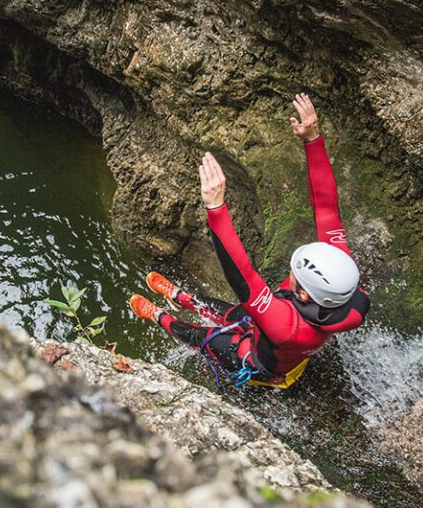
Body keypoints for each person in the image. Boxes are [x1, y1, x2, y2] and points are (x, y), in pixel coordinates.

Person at [129, 93, 370, 388]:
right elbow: (327, 208)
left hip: (258, 362)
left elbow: (243, 277)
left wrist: (216, 207)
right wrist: (313, 139)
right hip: (277, 336)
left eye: (295, 273)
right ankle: (182, 297)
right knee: (224, 310)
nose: (290, 271)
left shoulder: (286, 326)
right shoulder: (340, 277)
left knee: (204, 337)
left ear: (305, 295)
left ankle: (160, 317)